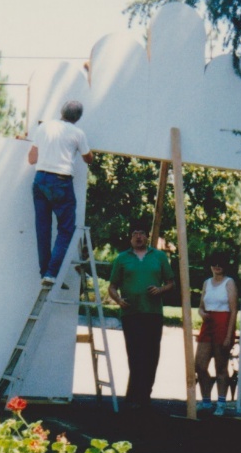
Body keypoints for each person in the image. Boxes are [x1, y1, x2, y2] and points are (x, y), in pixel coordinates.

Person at [108, 224, 175, 409]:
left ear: (147, 236)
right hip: (131, 313)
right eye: (135, 234)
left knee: (151, 354)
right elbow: (112, 286)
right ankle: (135, 396)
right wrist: (119, 301)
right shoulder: (122, 258)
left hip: (153, 313)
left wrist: (160, 289)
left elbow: (171, 282)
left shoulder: (159, 256)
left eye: (142, 233)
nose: (138, 237)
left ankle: (144, 394)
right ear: (130, 238)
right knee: (135, 354)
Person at [28, 100, 93, 285]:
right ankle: (51, 273)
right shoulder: (78, 134)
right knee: (66, 229)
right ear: (78, 118)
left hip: (40, 179)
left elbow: (31, 158)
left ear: (61, 111)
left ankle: (45, 273)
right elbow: (88, 159)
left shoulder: (44, 127)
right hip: (61, 182)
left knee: (43, 228)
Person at [195, 252, 239, 416]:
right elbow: (200, 306)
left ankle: (221, 402)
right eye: (214, 263)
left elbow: (234, 311)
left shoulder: (229, 283)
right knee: (199, 364)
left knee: (220, 366)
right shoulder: (207, 283)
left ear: (225, 266)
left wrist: (229, 335)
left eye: (220, 264)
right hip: (208, 324)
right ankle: (206, 401)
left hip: (223, 323)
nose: (217, 267)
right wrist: (202, 314)